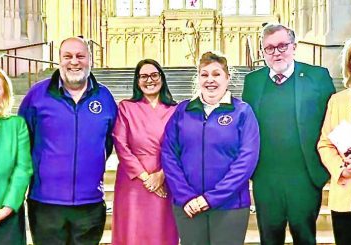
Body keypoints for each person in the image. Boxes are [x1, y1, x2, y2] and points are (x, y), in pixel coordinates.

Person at [18, 37, 118, 245]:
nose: (74, 62)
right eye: (68, 56)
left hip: (89, 204)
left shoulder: (104, 97)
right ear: (59, 60)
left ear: (90, 60)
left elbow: (107, 142)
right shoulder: (37, 95)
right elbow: (23, 142)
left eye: (80, 56)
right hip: (46, 204)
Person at [242, 23, 335, 244]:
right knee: (269, 239)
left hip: (304, 176)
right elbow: (246, 128)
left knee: (305, 238)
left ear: (294, 46)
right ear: (262, 52)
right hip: (266, 179)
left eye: (282, 46)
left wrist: (323, 173)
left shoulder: (317, 77)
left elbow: (333, 123)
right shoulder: (252, 82)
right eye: (270, 48)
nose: (277, 52)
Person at [162, 51, 260, 245]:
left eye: (216, 74)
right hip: (188, 206)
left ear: (227, 78)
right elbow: (169, 155)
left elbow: (246, 161)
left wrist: (211, 199)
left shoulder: (242, 112)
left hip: (230, 206)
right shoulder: (183, 111)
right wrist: (186, 197)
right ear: (198, 78)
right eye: (204, 74)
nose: (210, 80)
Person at [112, 59, 179, 245]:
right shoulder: (126, 107)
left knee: (162, 231)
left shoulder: (176, 110)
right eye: (143, 76)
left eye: (154, 75)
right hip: (133, 181)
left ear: (162, 78)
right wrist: (145, 177)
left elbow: (181, 147)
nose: (149, 80)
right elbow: (120, 144)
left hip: (166, 178)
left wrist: (161, 175)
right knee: (132, 232)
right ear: (137, 81)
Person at [318, 35, 351, 245]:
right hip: (345, 193)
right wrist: (341, 170)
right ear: (349, 64)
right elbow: (325, 144)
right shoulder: (337, 101)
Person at [0, 67, 33, 245]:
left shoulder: (17, 126)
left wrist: (4, 211)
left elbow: (23, 169)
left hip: (8, 211)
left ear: (4, 95)